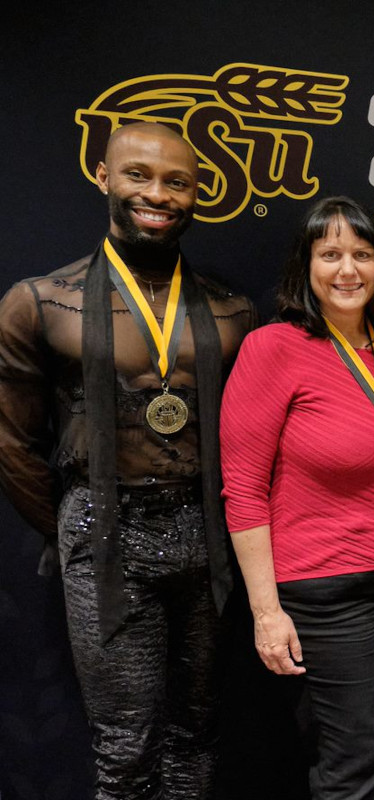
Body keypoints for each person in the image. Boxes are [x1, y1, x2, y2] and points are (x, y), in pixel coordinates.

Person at [0, 122, 255, 799]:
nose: (158, 193)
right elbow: (11, 445)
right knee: (124, 745)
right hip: (106, 531)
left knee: (196, 731)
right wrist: (76, 526)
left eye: (177, 181)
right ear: (104, 176)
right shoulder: (39, 301)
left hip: (210, 536)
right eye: (139, 174)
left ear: (197, 194)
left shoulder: (235, 311)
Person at [219, 196, 374, 799]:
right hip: (322, 588)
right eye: (330, 254)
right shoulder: (273, 347)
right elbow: (242, 490)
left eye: (362, 254)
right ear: (306, 266)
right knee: (356, 762)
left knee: (373, 749)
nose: (348, 270)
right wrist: (267, 615)